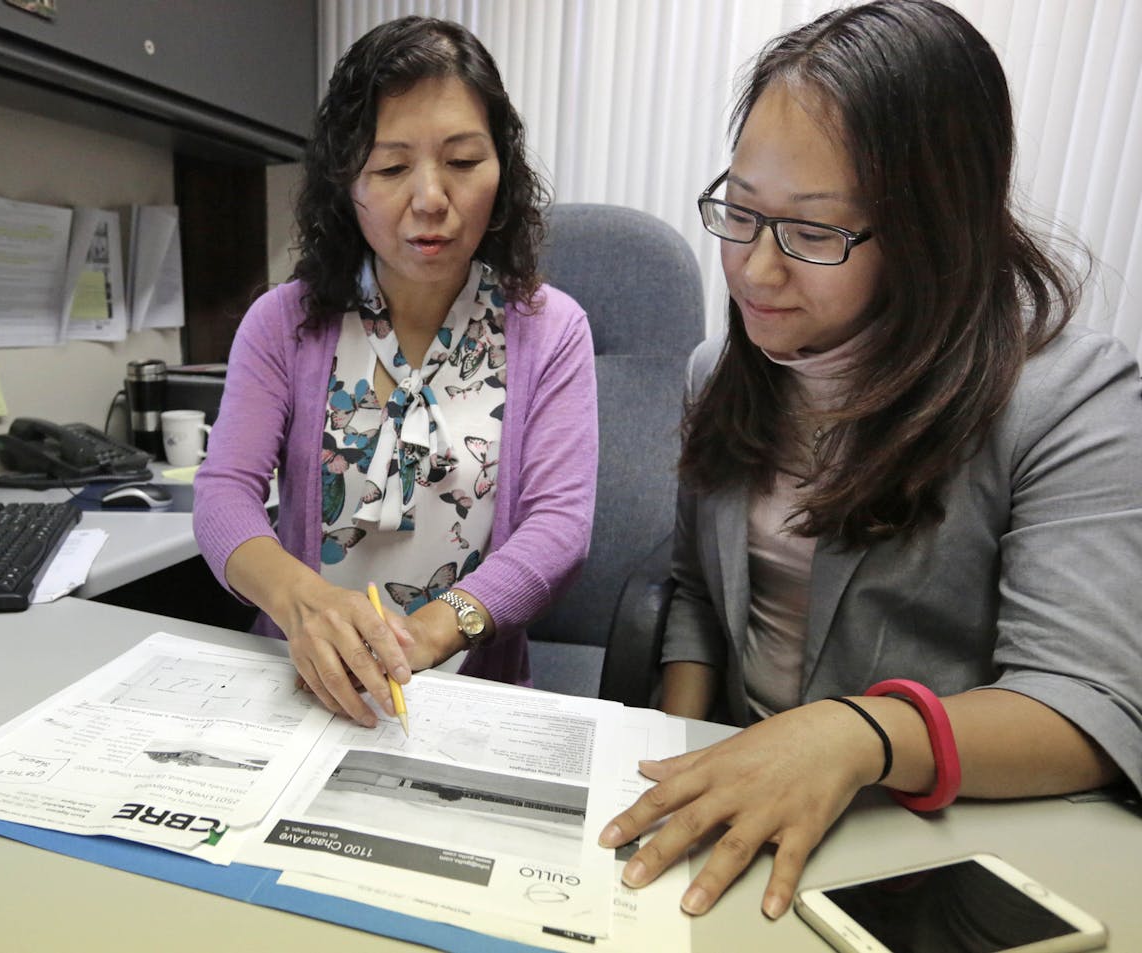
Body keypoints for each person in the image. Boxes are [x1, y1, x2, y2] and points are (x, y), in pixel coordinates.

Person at [600, 0, 1142, 922]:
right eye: (741, 211)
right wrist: (680, 739)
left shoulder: (1070, 396)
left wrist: (855, 733)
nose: (755, 272)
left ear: (936, 228)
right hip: (738, 808)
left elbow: (1089, 704)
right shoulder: (722, 372)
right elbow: (694, 589)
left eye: (814, 233)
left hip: (917, 845)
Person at [193, 16, 597, 730]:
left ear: (503, 172)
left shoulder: (550, 328)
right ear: (345, 182)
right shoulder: (283, 323)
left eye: (464, 162)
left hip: (474, 698)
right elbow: (225, 494)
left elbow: (559, 527)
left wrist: (433, 631)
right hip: (301, 688)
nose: (431, 198)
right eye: (389, 168)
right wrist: (300, 601)